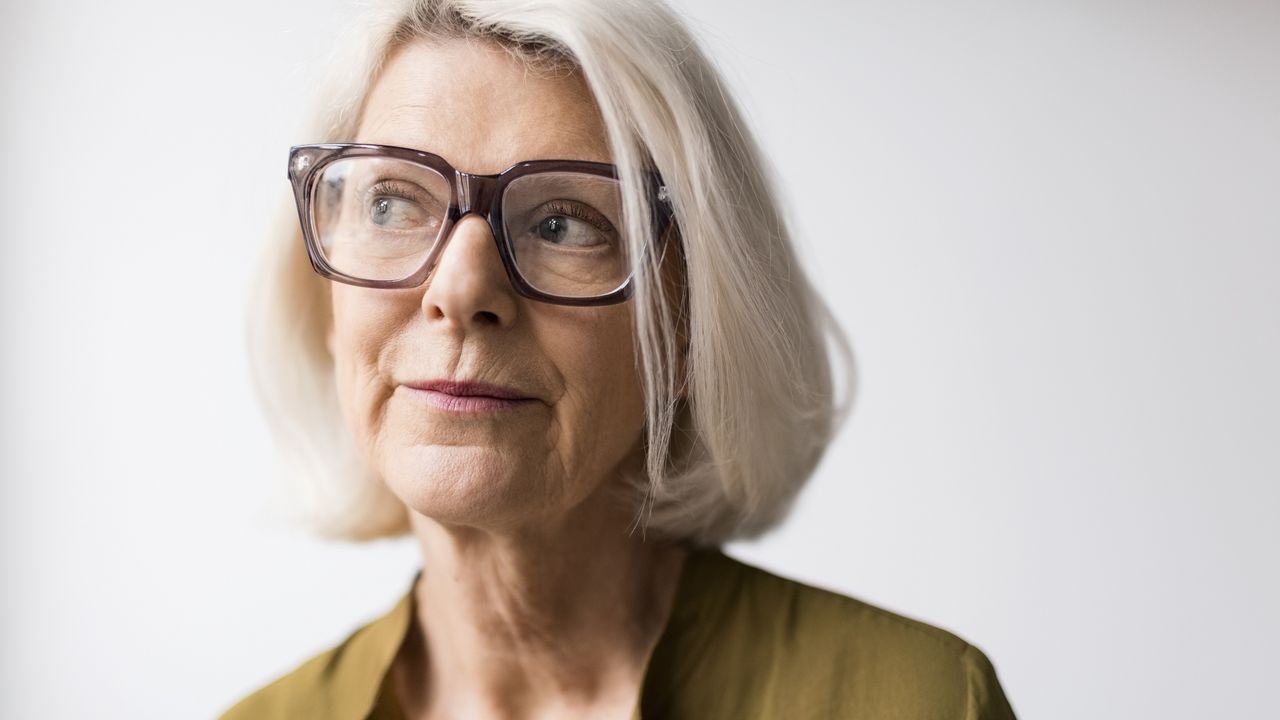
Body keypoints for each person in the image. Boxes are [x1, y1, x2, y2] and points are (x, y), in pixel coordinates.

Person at [223, 0, 1018, 718]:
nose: (460, 290)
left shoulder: (923, 702)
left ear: (686, 321)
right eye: (391, 203)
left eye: (564, 223)